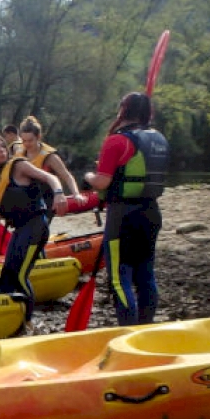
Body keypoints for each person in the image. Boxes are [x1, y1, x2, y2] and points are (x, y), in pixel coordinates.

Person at [84, 92, 169, 326]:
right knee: (145, 274)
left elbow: (102, 182)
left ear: (123, 109)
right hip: (151, 212)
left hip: (123, 217)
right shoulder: (159, 138)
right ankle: (145, 325)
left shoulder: (117, 141)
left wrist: (87, 176)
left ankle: (127, 329)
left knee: (120, 278)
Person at [0, 134, 69, 328]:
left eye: (3, 147)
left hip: (36, 226)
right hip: (21, 229)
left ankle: (29, 322)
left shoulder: (18, 166)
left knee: (20, 276)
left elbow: (50, 177)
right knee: (6, 278)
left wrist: (58, 193)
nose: (2, 151)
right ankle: (6, 318)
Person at [18, 116, 81, 214]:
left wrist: (76, 194)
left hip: (45, 200)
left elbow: (67, 176)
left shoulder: (50, 157)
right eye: (24, 141)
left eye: (30, 140)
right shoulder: (19, 153)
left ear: (38, 137)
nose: (26, 144)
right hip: (25, 200)